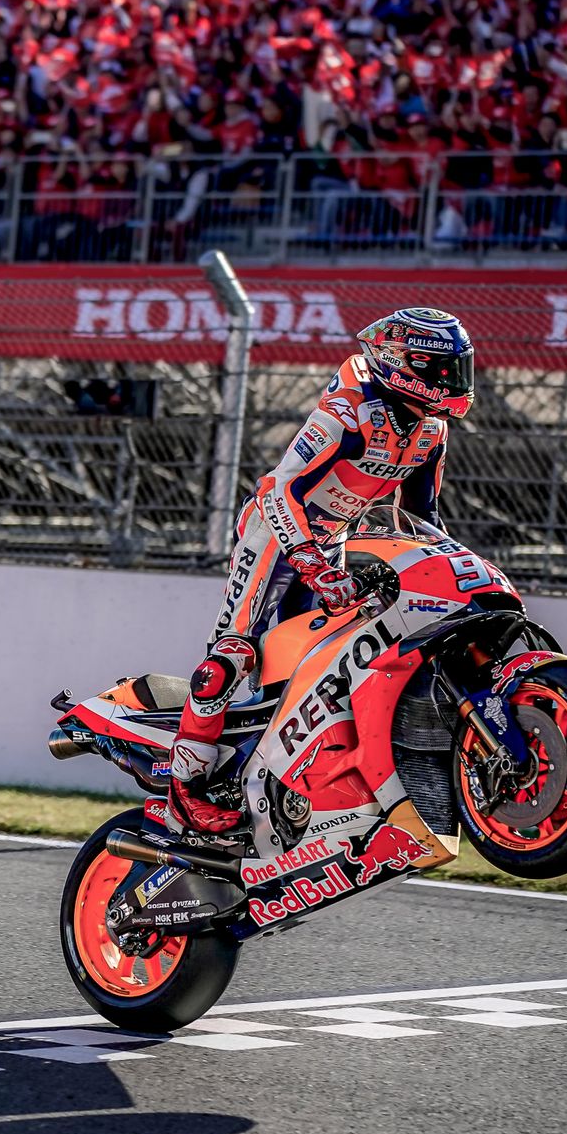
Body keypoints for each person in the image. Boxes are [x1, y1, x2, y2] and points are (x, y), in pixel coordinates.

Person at [165, 308, 474, 836]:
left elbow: (422, 519)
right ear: (402, 363)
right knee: (232, 658)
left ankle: (266, 782)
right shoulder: (348, 411)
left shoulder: (432, 430)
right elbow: (278, 489)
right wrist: (310, 562)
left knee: (310, 668)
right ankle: (183, 790)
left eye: (457, 369)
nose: (453, 381)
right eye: (440, 368)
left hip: (333, 540)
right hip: (273, 535)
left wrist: (450, 565)